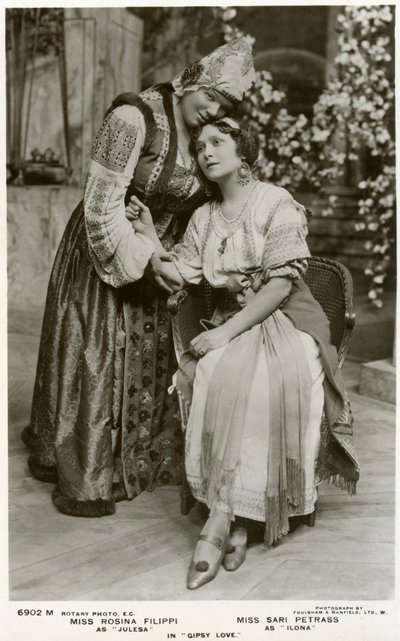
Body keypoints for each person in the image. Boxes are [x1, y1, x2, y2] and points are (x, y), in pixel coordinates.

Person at [21, 38, 256, 517]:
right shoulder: (133, 118)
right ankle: (87, 469)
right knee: (97, 354)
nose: (211, 110)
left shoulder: (206, 136)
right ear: (190, 79)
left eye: (225, 105)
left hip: (163, 256)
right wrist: (147, 261)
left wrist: (177, 261)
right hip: (105, 250)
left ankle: (142, 460)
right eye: (209, 96)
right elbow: (102, 203)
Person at [126, 116, 360, 590]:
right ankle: (232, 519)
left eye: (218, 142)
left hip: (290, 317)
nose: (207, 151)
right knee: (214, 371)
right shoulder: (204, 218)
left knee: (268, 379)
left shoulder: (275, 202)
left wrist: (224, 332)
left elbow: (278, 285)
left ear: (243, 149)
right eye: (200, 145)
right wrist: (150, 233)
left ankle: (228, 517)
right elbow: (177, 274)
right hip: (237, 320)